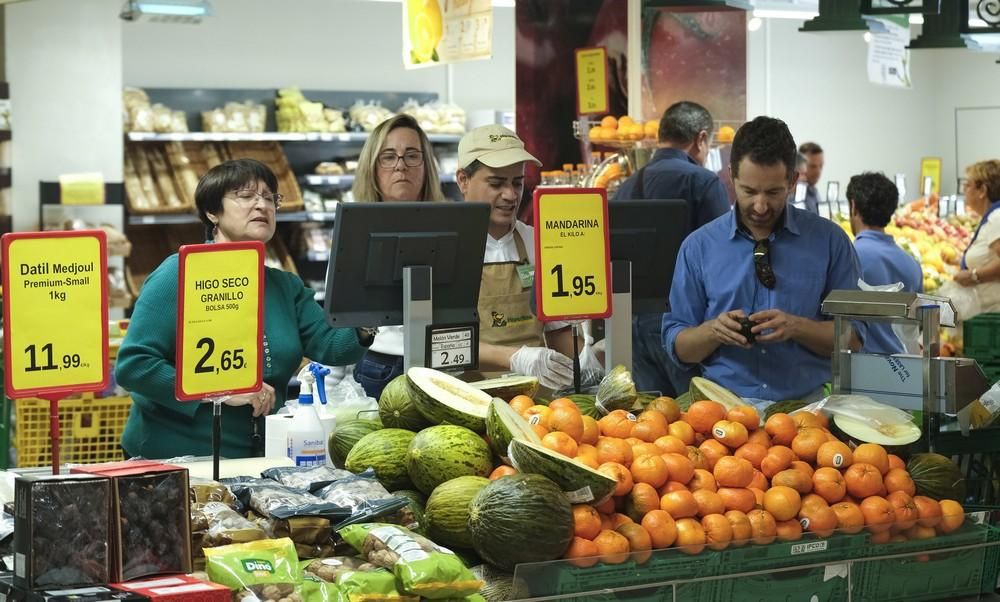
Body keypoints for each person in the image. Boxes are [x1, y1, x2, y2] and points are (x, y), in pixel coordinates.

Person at [116, 159, 373, 459]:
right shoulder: (179, 274)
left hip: (258, 458)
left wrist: (366, 319)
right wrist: (220, 390)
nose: (261, 205)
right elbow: (134, 366)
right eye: (245, 195)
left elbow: (331, 346)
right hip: (175, 458)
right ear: (212, 211)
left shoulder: (284, 286)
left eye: (269, 197)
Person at [662, 117, 863, 405]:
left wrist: (797, 327)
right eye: (748, 191)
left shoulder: (830, 242)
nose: (760, 205)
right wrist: (713, 331)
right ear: (731, 176)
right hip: (721, 414)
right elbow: (679, 347)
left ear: (792, 180)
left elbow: (853, 339)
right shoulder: (698, 247)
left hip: (808, 413)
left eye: (773, 192)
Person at [613, 101, 731, 397]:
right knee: (699, 417)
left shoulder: (627, 185)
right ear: (701, 139)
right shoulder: (704, 182)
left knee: (654, 422)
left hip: (629, 325)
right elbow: (724, 258)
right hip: (681, 330)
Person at [456, 124, 577, 390]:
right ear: (463, 180)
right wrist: (514, 358)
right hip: (465, 398)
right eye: (497, 183)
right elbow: (440, 343)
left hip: (536, 403)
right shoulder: (444, 248)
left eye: (517, 183)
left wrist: (584, 364)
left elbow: (560, 333)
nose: (510, 195)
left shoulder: (540, 243)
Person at [350, 115, 446, 399]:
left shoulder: (451, 225)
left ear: (427, 165)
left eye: (412, 155)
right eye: (388, 156)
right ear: (372, 167)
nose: (401, 165)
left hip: (441, 364)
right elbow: (341, 318)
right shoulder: (356, 229)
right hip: (379, 366)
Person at [847, 172, 923, 355]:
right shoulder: (912, 263)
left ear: (853, 206)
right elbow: (918, 324)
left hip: (861, 371)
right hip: (904, 370)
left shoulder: (850, 258)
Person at [954, 159, 1000, 313]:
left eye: (968, 185)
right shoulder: (991, 218)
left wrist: (974, 275)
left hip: (994, 315)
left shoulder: (996, 218)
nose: (965, 190)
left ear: (982, 191)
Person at [797, 142, 824, 214]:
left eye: (821, 166)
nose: (818, 172)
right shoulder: (793, 197)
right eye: (813, 166)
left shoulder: (813, 191)